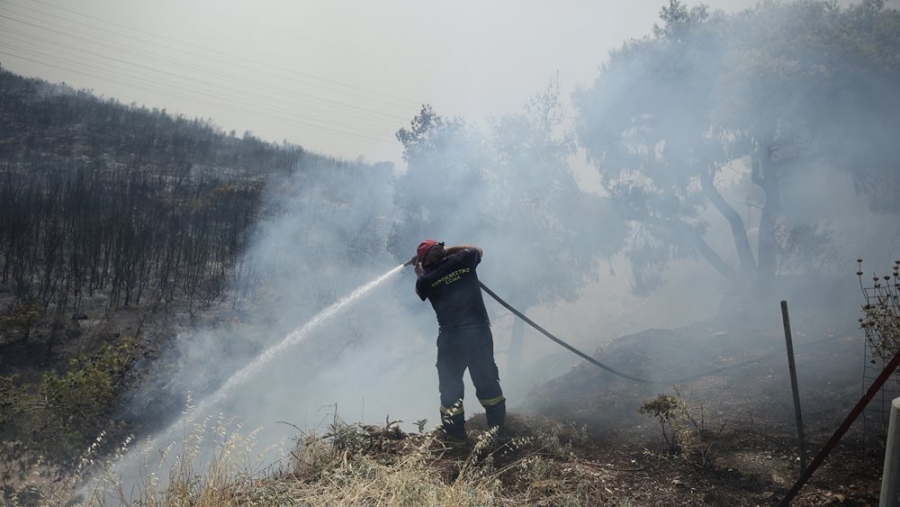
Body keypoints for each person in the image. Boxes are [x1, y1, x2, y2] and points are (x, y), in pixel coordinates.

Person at [412, 239, 506, 440]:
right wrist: (448, 251)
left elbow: (419, 290)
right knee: (486, 380)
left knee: (450, 386)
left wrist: (421, 272)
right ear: (441, 250)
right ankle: (497, 431)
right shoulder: (463, 259)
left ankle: (456, 438)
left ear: (424, 261)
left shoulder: (426, 281)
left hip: (451, 340)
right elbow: (478, 249)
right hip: (479, 334)